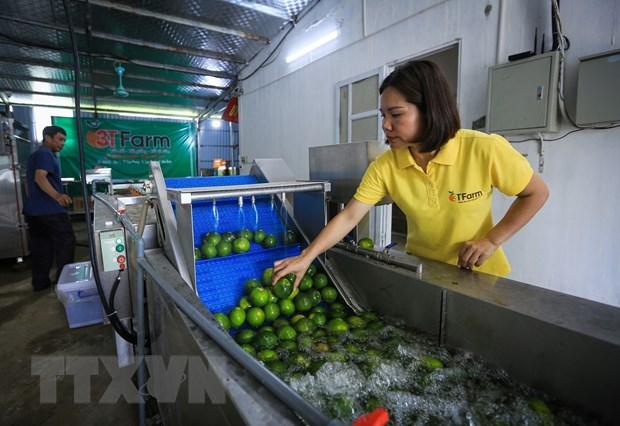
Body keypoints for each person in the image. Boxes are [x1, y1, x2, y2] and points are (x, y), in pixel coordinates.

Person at [273, 60, 549, 287]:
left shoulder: (483, 149)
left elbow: (536, 193)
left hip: (481, 275)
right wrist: (307, 256)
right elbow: (350, 215)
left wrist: (491, 240)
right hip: (423, 273)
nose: (386, 125)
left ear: (430, 110)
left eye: (396, 115)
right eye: (383, 116)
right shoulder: (386, 166)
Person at [23, 125, 75, 291]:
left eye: (64, 140)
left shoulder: (35, 155)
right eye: (59, 139)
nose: (62, 143)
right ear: (47, 137)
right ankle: (64, 284)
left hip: (34, 212)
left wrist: (33, 199)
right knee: (66, 244)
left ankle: (40, 283)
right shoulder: (46, 154)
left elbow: (28, 182)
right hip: (51, 211)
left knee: (41, 248)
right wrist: (57, 196)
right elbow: (40, 178)